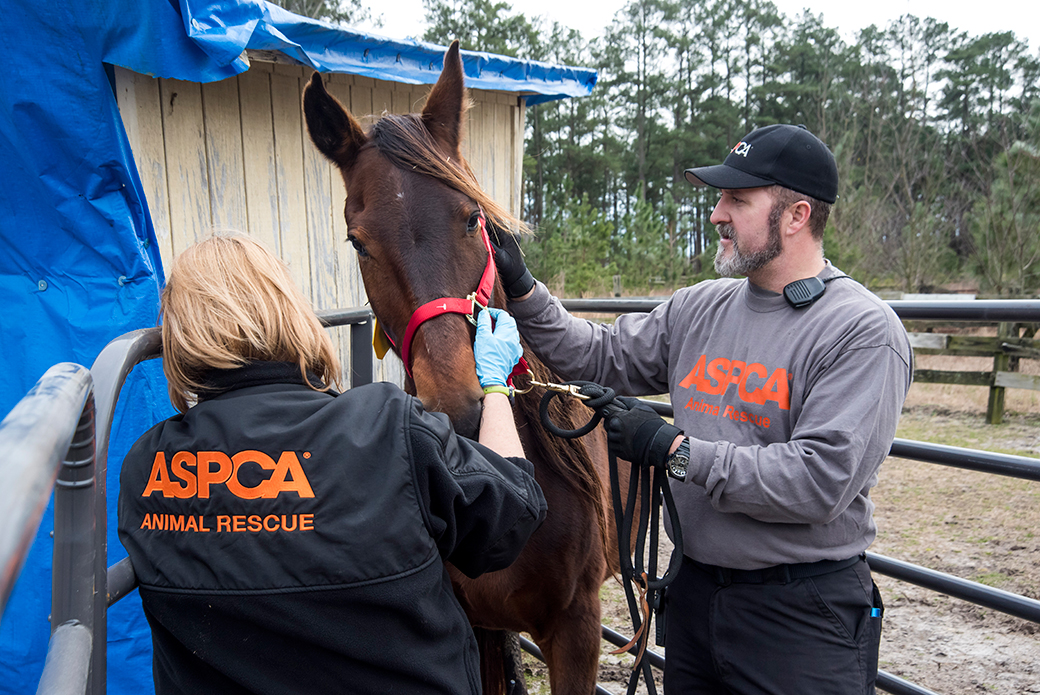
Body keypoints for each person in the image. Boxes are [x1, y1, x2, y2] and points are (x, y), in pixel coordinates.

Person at [492, 124, 913, 694]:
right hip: (695, 598)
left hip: (799, 615)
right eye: (719, 198)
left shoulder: (860, 331)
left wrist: (674, 450)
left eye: (737, 200)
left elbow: (819, 480)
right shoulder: (700, 308)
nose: (716, 214)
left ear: (796, 216)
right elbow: (598, 355)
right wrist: (523, 288)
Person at [117, 234, 546, 695]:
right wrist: (495, 385)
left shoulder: (146, 467)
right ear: (291, 312)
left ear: (179, 338)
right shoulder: (387, 426)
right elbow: (512, 514)